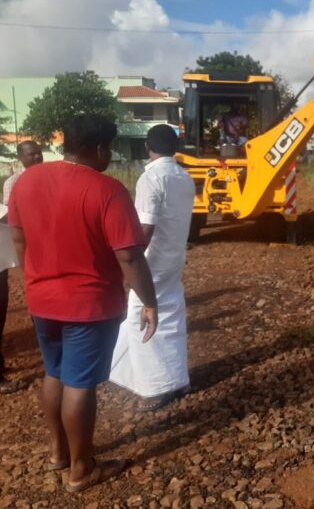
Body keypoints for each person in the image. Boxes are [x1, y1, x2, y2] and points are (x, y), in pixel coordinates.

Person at [8, 113, 158, 493]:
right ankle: (81, 469)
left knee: (54, 372)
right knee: (80, 384)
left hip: (42, 299)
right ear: (101, 149)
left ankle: (58, 452)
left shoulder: (27, 182)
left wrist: (33, 281)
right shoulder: (107, 190)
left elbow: (20, 239)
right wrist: (149, 300)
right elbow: (129, 257)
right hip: (88, 305)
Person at [110, 124, 195, 411]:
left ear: (147, 148)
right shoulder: (184, 177)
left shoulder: (152, 178)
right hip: (173, 258)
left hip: (152, 262)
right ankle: (176, 377)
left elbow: (145, 228)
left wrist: (130, 265)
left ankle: (155, 386)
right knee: (171, 318)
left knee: (141, 318)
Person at [0, 141, 43, 393]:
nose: (37, 157)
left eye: (39, 153)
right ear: (21, 158)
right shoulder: (13, 182)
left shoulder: (51, 176)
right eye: (31, 154)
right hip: (24, 239)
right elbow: (8, 214)